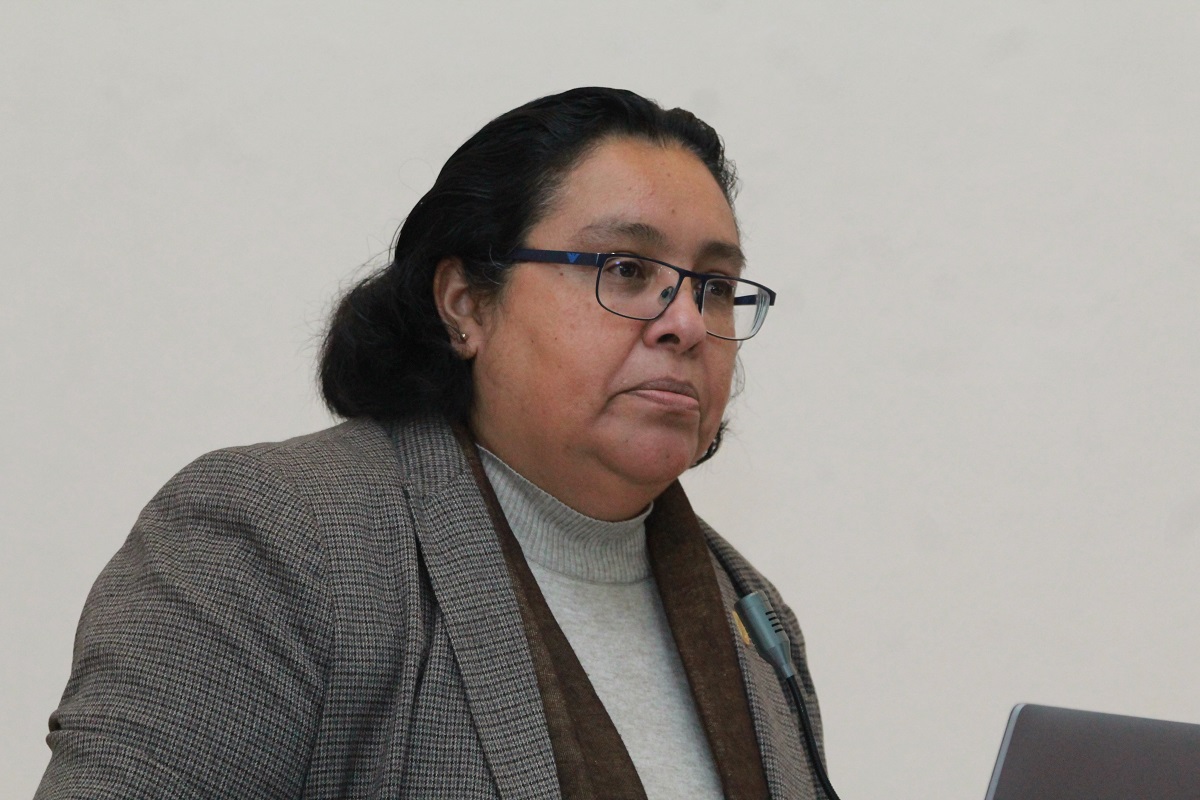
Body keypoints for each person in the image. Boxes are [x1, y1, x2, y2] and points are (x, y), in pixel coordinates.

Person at [36, 87, 827, 800]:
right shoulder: (278, 542)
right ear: (465, 305)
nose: (685, 322)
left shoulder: (751, 613)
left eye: (715, 287)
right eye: (624, 269)